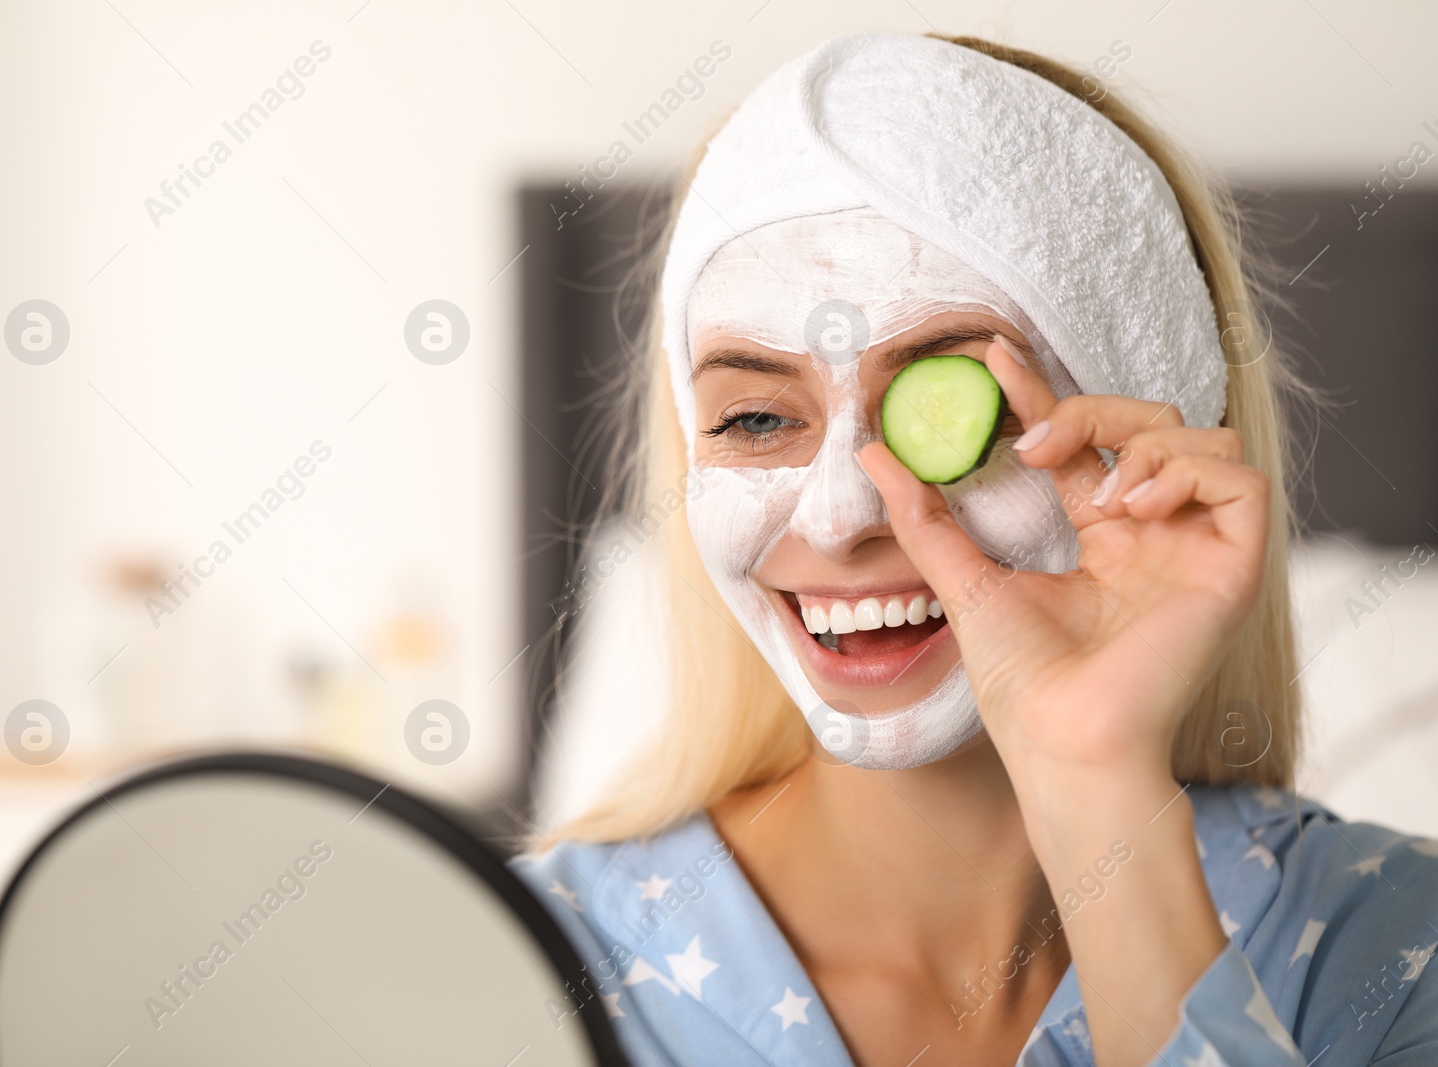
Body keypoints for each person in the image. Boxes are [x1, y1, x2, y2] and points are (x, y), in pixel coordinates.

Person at [510, 31, 1438, 1067]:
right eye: (758, 420)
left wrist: (1096, 775)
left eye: (964, 412)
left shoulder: (1395, 946)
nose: (838, 516)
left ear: (1140, 455)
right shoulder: (505, 959)